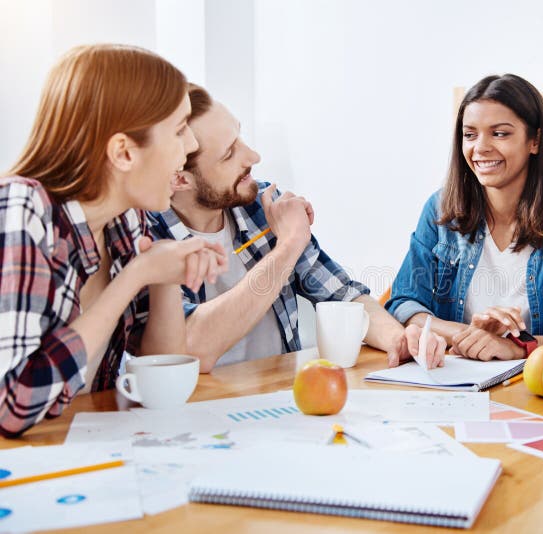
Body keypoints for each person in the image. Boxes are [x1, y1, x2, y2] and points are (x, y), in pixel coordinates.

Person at [0, 44, 226, 437]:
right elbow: (11, 405)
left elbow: (160, 371)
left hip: (80, 450)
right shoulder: (22, 207)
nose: (191, 146)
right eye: (178, 130)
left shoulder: (128, 220)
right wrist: (134, 276)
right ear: (123, 152)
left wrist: (165, 276)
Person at [147, 84, 444, 372]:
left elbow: (341, 294)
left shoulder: (259, 204)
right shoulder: (147, 237)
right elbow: (191, 348)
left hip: (281, 400)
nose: (252, 157)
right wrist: (288, 246)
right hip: (198, 410)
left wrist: (399, 339)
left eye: (241, 138)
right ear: (180, 179)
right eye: (228, 154)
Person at [386, 74, 543, 362]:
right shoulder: (441, 210)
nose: (481, 147)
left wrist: (520, 347)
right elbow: (405, 303)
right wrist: (469, 336)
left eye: (499, 133)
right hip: (456, 382)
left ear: (534, 140)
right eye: (470, 134)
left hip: (539, 388)